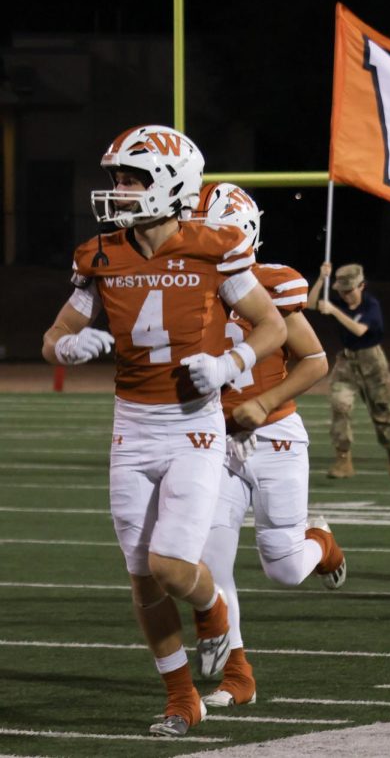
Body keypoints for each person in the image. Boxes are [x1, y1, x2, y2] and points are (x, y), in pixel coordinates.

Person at [40, 125, 287, 737]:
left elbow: (272, 327)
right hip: (131, 428)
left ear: (171, 184)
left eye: (132, 178)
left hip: (192, 428)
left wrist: (231, 364)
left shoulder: (215, 245)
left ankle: (214, 610)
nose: (118, 190)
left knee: (174, 567)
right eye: (117, 178)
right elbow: (51, 338)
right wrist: (67, 348)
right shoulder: (99, 253)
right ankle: (182, 697)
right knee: (142, 577)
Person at [191, 183, 346, 709]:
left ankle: (321, 543)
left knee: (282, 566)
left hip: (274, 434)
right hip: (211, 440)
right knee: (211, 561)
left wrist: (265, 401)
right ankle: (238, 677)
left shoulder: (271, 284)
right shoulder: (183, 288)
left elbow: (315, 361)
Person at [307, 261, 390, 478]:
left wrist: (334, 311)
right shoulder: (339, 301)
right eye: (341, 291)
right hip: (346, 362)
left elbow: (360, 330)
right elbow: (310, 303)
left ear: (361, 286)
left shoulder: (371, 305)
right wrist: (322, 279)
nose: (345, 296)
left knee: (381, 412)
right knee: (340, 407)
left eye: (349, 291)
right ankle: (344, 461)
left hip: (372, 361)